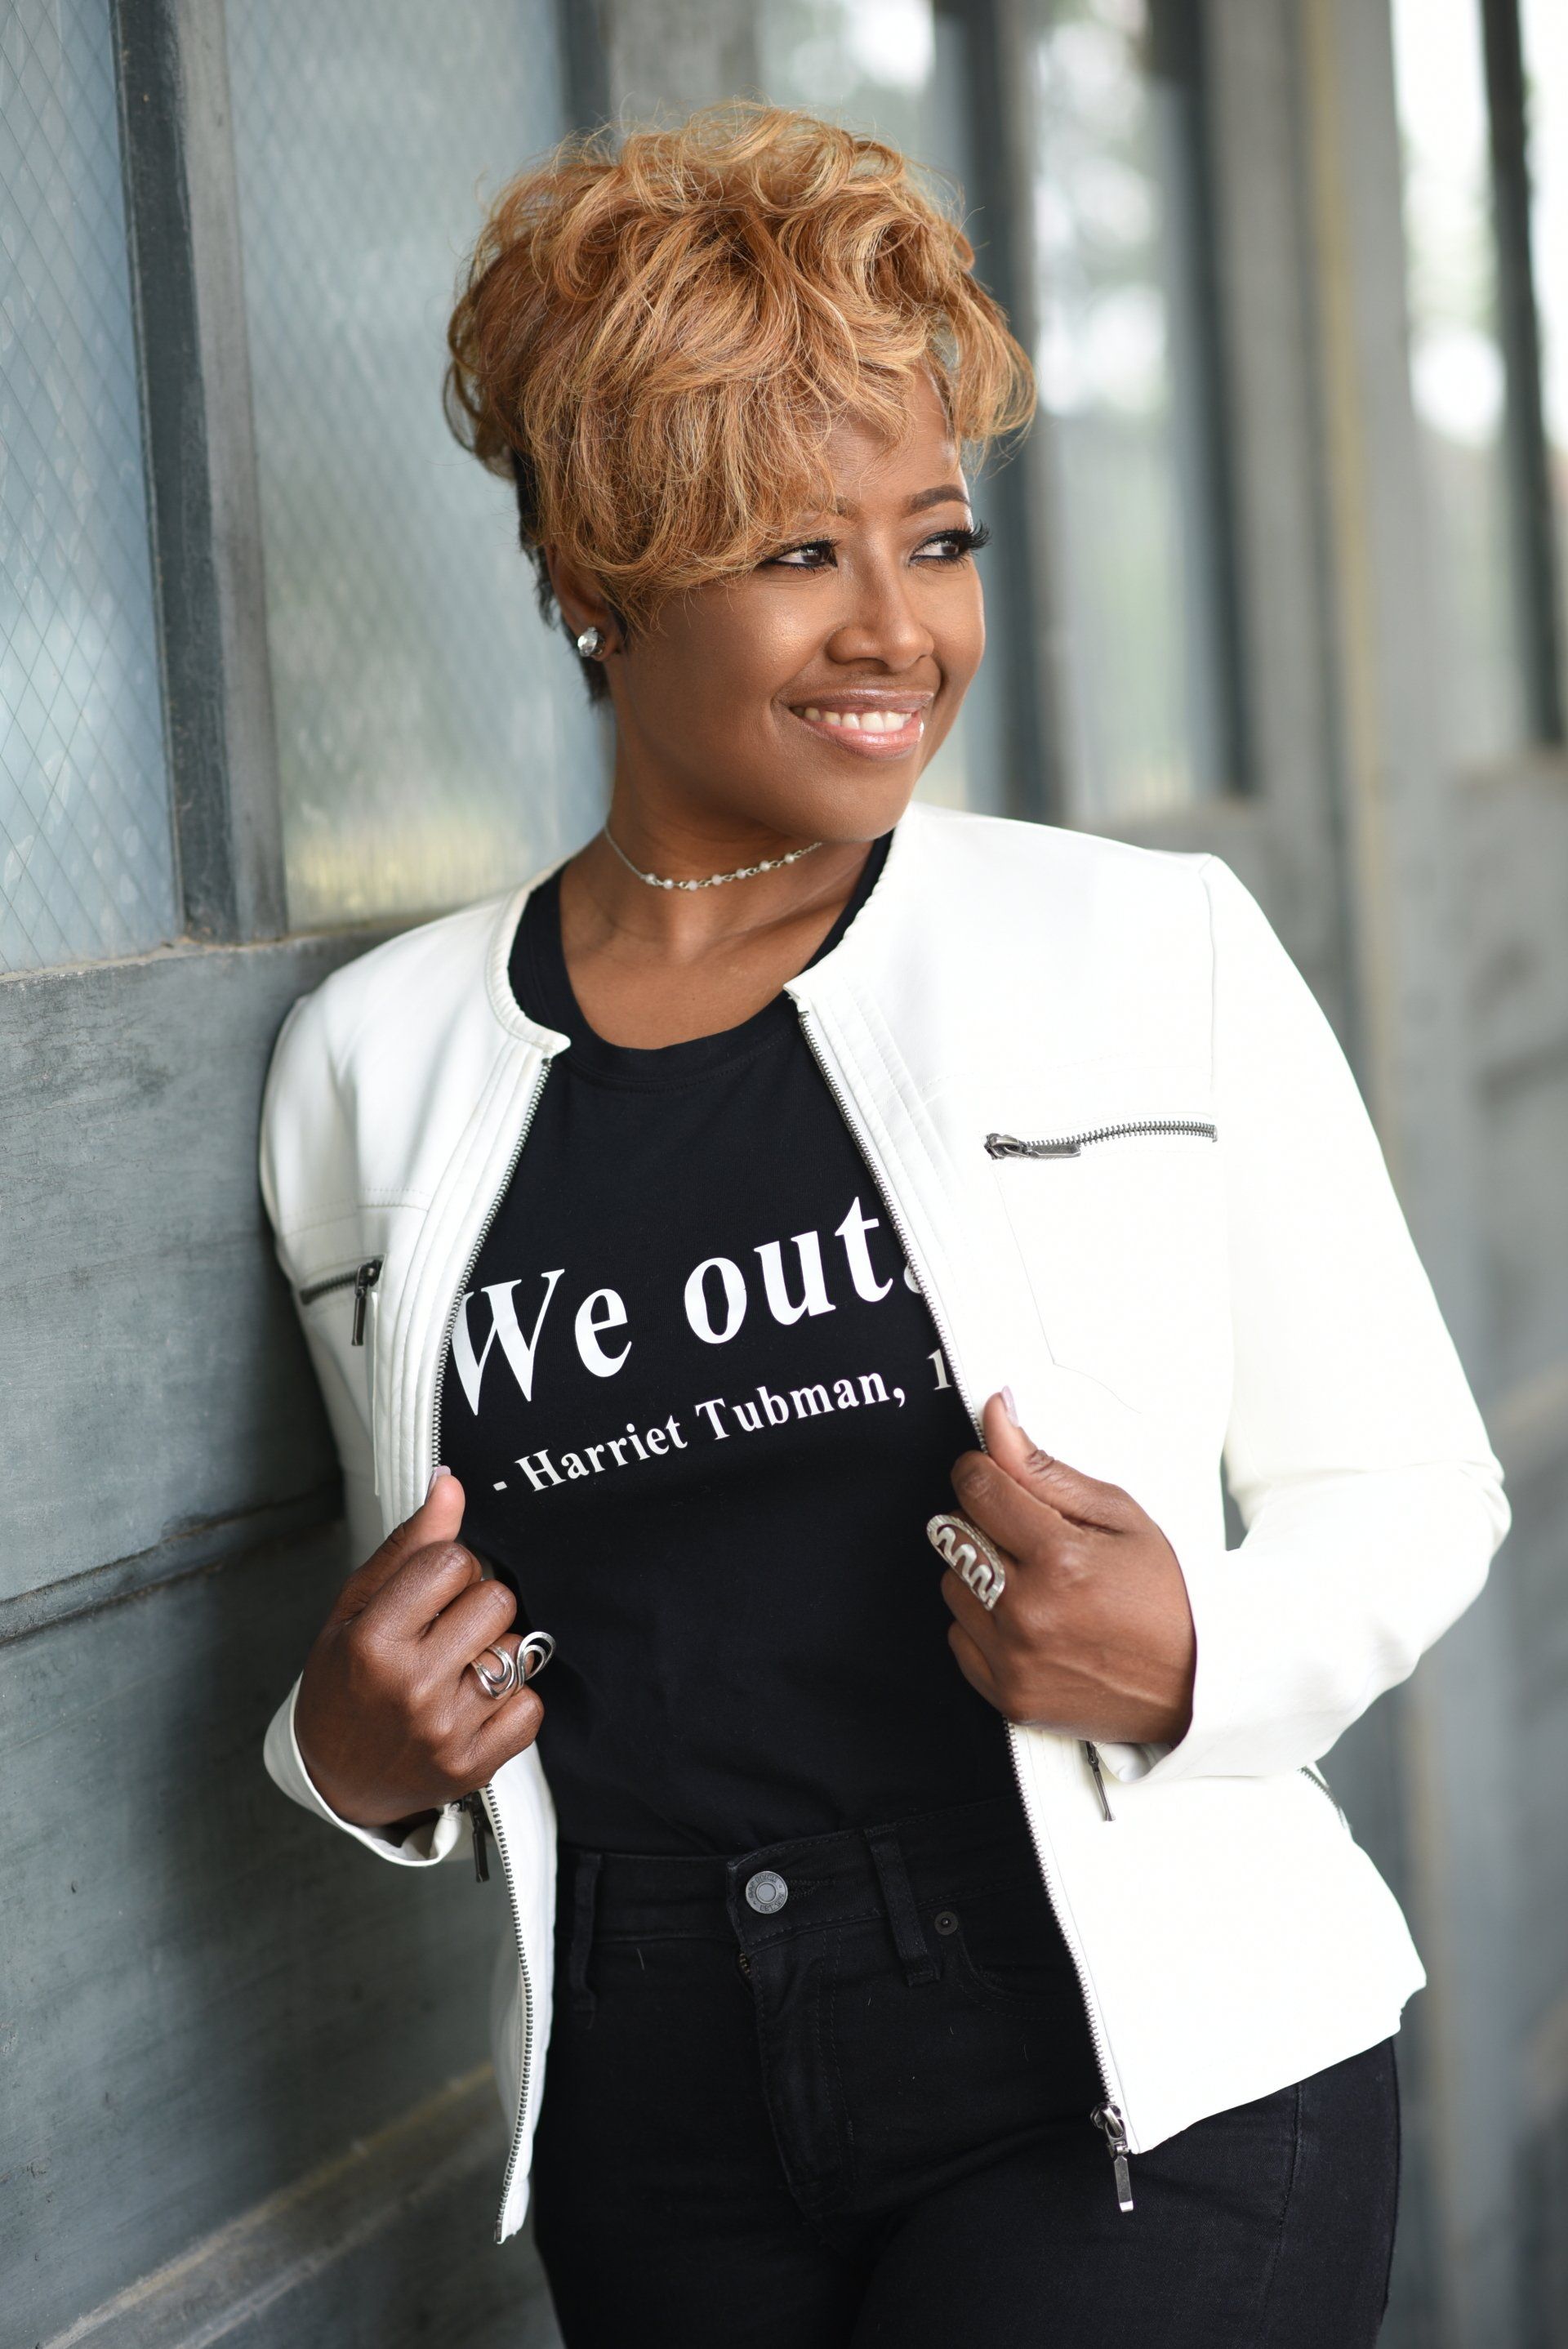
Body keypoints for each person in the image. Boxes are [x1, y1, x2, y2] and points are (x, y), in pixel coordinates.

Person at [258, 105, 1509, 2348]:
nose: (898, 629)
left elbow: (1410, 1485)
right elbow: (436, 1649)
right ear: (594, 576)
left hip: (1139, 2066)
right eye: (792, 553)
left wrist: (1197, 1654)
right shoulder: (371, 1063)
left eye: (936, 540)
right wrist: (345, 1760)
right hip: (654, 2114)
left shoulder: (1144, 945)